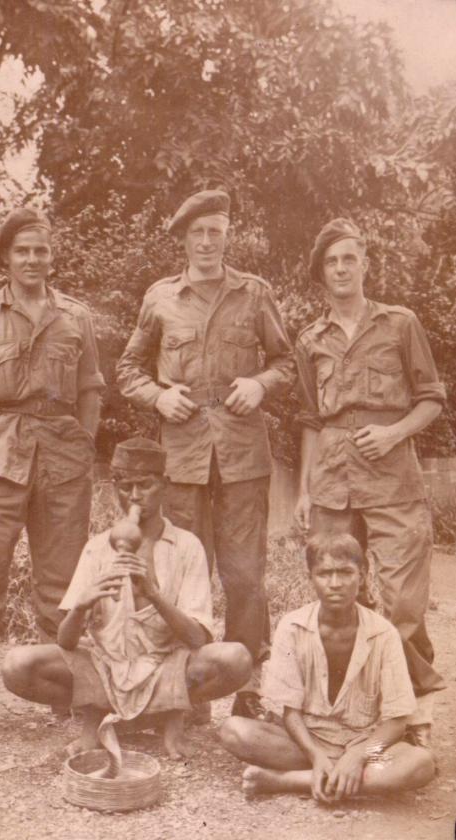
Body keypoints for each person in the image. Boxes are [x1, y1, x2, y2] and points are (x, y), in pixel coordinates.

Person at [116, 190, 294, 719]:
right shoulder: (160, 298)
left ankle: (247, 686)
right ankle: (186, 686)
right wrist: (157, 396)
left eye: (216, 231)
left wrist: (261, 384)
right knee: (182, 570)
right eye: (198, 232)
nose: (208, 241)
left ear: (227, 235)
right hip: (183, 454)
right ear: (184, 239)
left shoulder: (254, 294)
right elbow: (127, 368)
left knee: (245, 574)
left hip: (242, 453)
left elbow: (286, 362)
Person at [0, 207, 105, 741]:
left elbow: (91, 389)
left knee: (63, 574)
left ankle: (62, 686)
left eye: (41, 250)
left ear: (52, 257)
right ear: (5, 257)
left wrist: (83, 447)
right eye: (23, 250)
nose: (33, 259)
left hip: (62, 456)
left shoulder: (75, 316)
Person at [1, 438, 252, 759]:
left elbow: (196, 638)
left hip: (167, 669)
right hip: (103, 671)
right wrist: (81, 606)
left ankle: (166, 719)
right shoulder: (98, 547)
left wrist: (153, 594)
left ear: (165, 485)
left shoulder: (187, 546)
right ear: (115, 488)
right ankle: (105, 720)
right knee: (17, 666)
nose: (134, 496)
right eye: (125, 486)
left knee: (236, 659)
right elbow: (66, 642)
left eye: (145, 485)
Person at [293, 218, 446, 746]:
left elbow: (432, 399)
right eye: (331, 261)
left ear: (365, 265)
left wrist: (394, 432)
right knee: (337, 594)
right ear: (321, 273)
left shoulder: (400, 324)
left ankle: (414, 715)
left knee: (403, 604)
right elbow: (309, 419)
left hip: (392, 478)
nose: (341, 269)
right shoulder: (310, 339)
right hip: (332, 480)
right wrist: (304, 490)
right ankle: (348, 711)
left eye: (349, 259)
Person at [219, 533, 436, 801]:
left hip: (364, 745)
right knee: (233, 731)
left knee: (421, 764)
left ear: (362, 575)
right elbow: (290, 713)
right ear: (310, 578)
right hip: (306, 742)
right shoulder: (293, 626)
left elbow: (396, 721)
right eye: (324, 574)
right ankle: (336, 775)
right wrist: (316, 755)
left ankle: (287, 781)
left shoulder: (384, 634)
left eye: (345, 572)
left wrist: (359, 756)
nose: (335, 584)